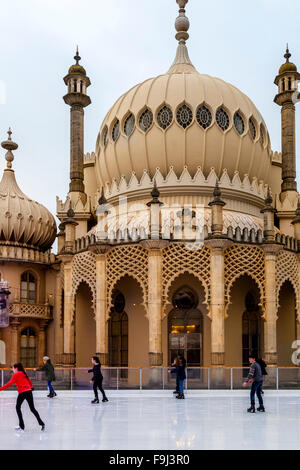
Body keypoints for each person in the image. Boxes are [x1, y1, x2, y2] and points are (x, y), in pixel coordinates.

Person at [0, 363, 45, 432]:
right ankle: (41, 423)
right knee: (32, 409)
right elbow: (29, 381)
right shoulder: (23, 373)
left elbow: (9, 383)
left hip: (22, 392)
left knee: (18, 408)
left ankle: (22, 426)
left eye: (13, 368)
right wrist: (31, 387)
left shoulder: (16, 374)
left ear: (16, 368)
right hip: (29, 392)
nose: (12, 369)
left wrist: (0, 389)